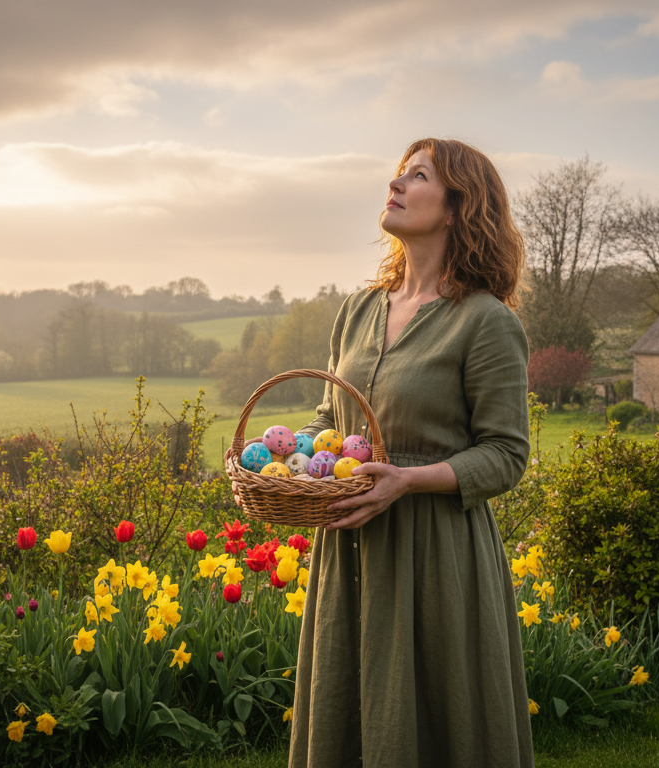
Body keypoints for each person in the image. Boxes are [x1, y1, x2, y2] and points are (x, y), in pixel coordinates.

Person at [288, 138, 533, 767]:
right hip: (350, 544)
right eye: (398, 174)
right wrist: (294, 465)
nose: (395, 185)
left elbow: (506, 453)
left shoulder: (485, 322)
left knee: (435, 723)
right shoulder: (360, 309)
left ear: (456, 207)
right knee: (346, 709)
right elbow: (330, 415)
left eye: (416, 176)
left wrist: (407, 479)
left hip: (436, 556)